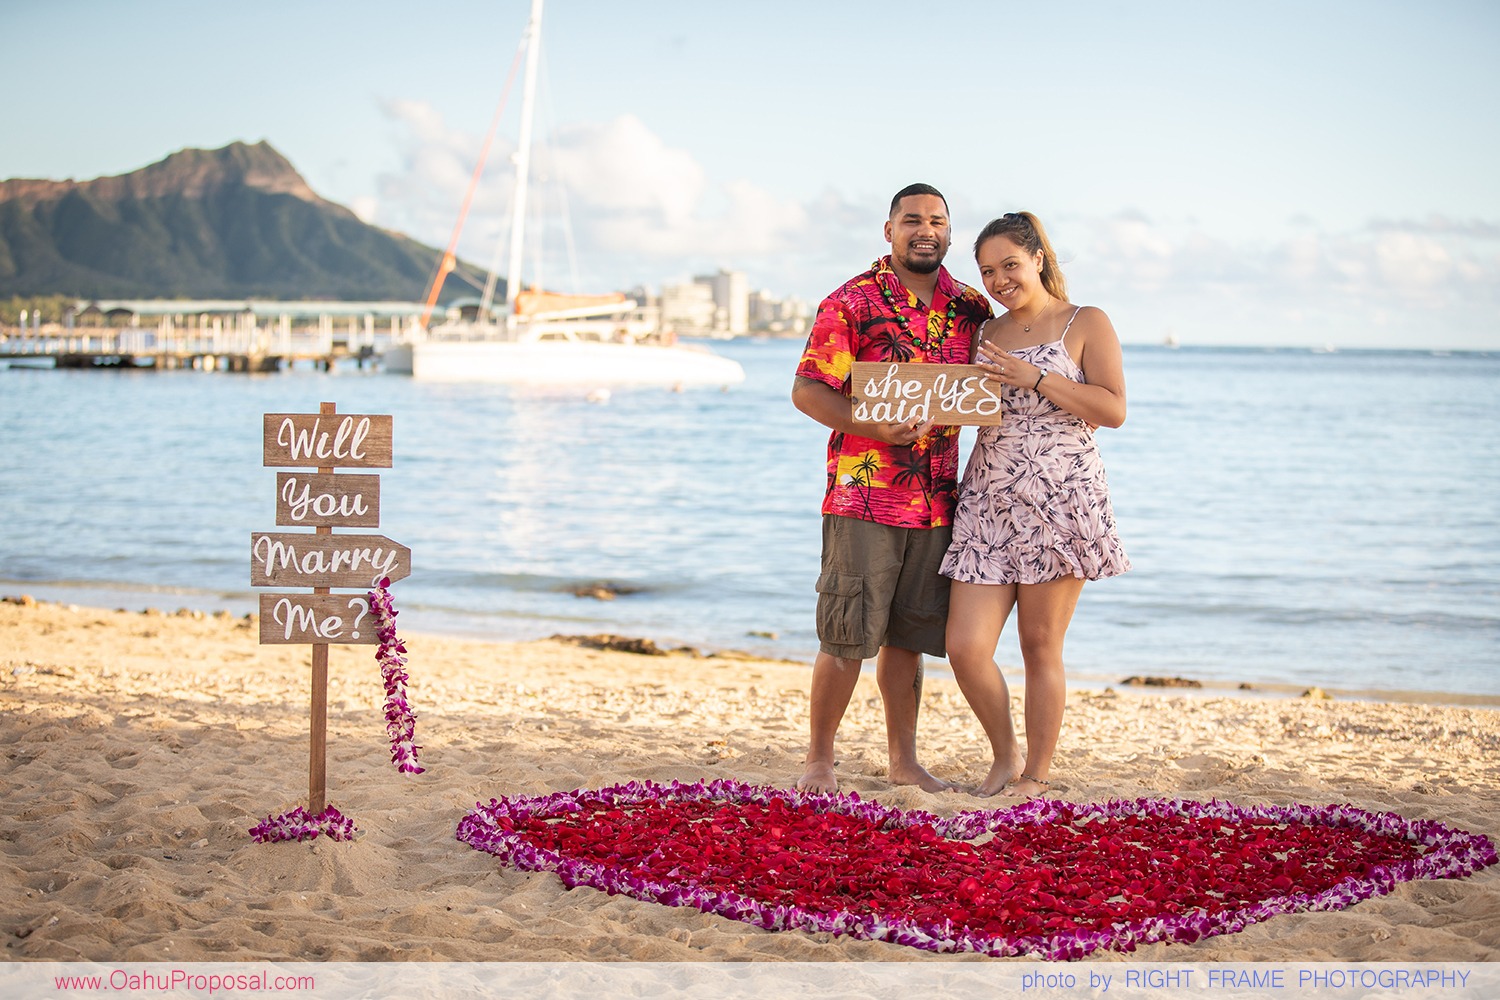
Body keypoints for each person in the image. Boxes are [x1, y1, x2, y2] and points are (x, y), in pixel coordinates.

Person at [792, 183, 993, 794]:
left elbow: (988, 383)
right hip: (863, 494)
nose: (924, 229)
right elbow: (808, 391)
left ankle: (903, 762)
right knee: (846, 633)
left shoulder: (971, 309)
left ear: (951, 233)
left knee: (907, 638)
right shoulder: (851, 301)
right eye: (912, 220)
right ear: (889, 230)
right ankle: (819, 761)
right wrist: (869, 423)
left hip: (936, 501)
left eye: (937, 220)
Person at [940, 211, 1130, 798]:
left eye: (1010, 265)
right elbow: (966, 408)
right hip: (989, 504)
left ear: (1038, 259)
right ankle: (1005, 755)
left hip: (1061, 502)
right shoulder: (984, 334)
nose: (999, 280)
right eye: (987, 271)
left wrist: (1035, 377)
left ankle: (1036, 774)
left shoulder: (1085, 321)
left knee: (1040, 645)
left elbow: (1113, 410)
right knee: (965, 648)